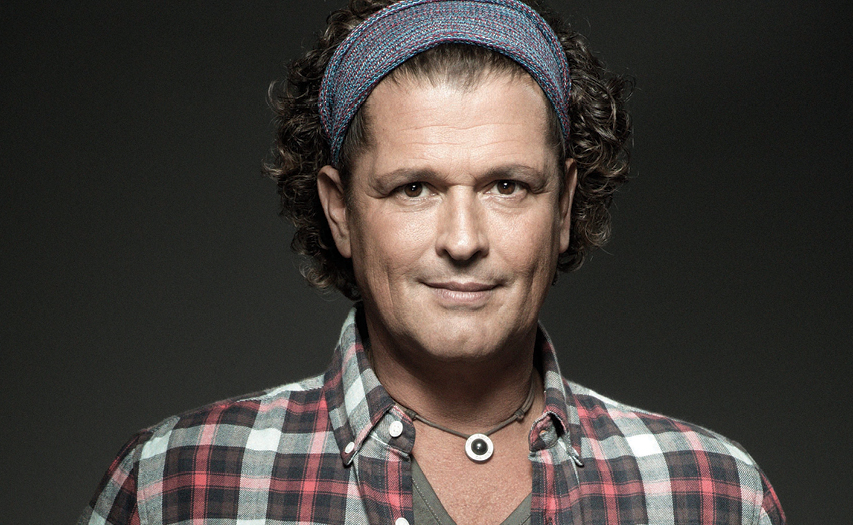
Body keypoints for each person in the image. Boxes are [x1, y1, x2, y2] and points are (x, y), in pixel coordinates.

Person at [79, 0, 786, 523]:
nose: (463, 239)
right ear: (340, 210)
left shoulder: (712, 495)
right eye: (413, 188)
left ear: (564, 206)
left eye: (507, 186)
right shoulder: (178, 485)